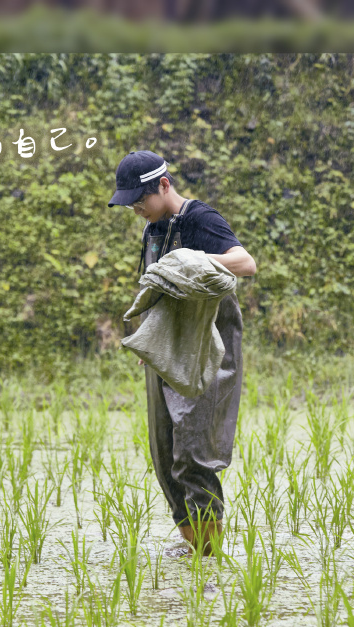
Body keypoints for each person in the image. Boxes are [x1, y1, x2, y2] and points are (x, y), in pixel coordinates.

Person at [108, 150, 256, 556]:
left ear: (164, 185)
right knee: (164, 449)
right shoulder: (152, 228)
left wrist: (193, 261)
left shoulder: (199, 219)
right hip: (165, 347)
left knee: (193, 449)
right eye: (131, 204)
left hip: (203, 347)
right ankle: (193, 548)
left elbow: (245, 263)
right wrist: (149, 338)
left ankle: (210, 554)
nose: (137, 209)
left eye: (141, 200)